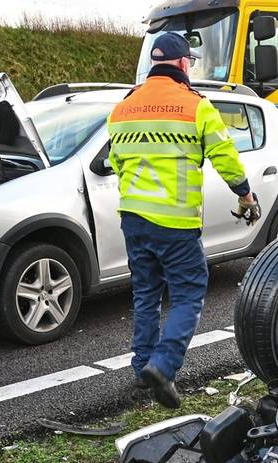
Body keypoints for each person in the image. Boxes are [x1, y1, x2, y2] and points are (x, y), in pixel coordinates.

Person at [107, 33, 260, 409]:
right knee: (189, 292)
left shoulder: (123, 108)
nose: (189, 66)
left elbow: (116, 161)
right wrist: (244, 193)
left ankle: (143, 366)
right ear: (180, 64)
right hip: (174, 221)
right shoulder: (196, 107)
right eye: (188, 61)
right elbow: (225, 155)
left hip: (133, 218)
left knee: (146, 293)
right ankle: (163, 366)